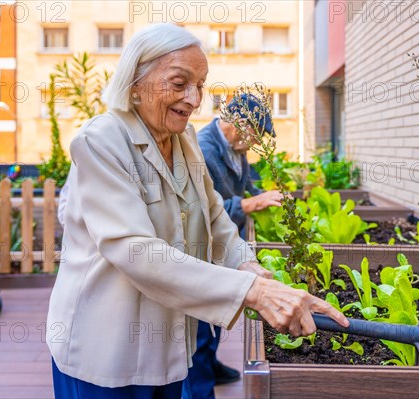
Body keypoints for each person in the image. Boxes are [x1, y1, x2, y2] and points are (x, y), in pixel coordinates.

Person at [46, 23, 348, 399]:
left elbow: (215, 217)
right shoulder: (100, 141)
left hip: (170, 345)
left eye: (201, 85)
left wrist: (249, 267)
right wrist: (253, 292)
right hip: (107, 351)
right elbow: (135, 250)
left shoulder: (183, 137)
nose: (194, 98)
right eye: (179, 83)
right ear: (135, 82)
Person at [182, 96, 282, 399]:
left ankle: (211, 364)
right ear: (239, 126)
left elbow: (247, 183)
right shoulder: (203, 149)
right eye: (257, 134)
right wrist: (251, 203)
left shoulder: (236, 149)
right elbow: (201, 210)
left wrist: (266, 194)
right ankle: (198, 388)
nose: (257, 142)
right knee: (198, 323)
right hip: (199, 247)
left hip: (223, 246)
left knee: (216, 314)